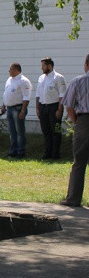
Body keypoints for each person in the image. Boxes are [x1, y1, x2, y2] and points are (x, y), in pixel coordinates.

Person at [60, 53, 89, 207]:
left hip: (83, 119)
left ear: (86, 64)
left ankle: (74, 198)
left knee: (79, 161)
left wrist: (77, 122)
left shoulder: (78, 81)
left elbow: (69, 106)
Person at [36, 57, 67, 160]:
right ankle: (47, 153)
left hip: (54, 107)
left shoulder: (58, 77)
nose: (42, 68)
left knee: (56, 131)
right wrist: (37, 108)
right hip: (43, 106)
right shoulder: (41, 78)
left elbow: (62, 94)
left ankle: (55, 154)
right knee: (46, 131)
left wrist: (60, 109)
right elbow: (38, 94)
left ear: (49, 66)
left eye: (43, 66)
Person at [0, 63, 33, 159]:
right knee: (12, 131)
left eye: (11, 69)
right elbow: (6, 94)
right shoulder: (9, 80)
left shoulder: (24, 81)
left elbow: (26, 97)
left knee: (19, 131)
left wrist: (23, 110)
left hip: (18, 108)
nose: (9, 71)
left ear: (16, 70)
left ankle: (20, 151)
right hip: (9, 108)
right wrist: (3, 105)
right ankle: (12, 151)